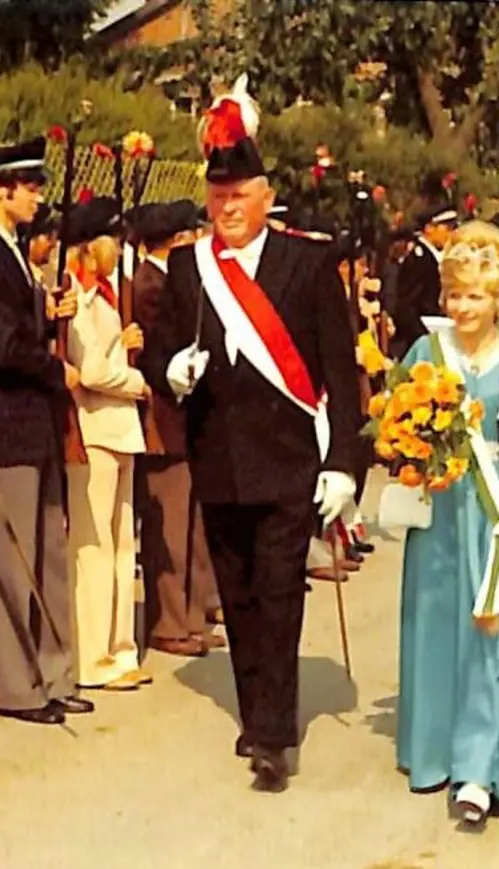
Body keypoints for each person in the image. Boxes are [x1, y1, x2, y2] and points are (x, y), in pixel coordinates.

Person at [138, 78, 362, 791]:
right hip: (220, 456)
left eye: (239, 198)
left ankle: (273, 731)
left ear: (266, 198)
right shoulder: (187, 266)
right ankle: (257, 707)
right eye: (217, 199)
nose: (227, 210)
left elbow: (339, 368)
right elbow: (158, 351)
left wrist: (344, 465)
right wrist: (172, 369)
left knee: (278, 592)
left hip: (291, 459)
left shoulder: (309, 263)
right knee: (237, 596)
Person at [394, 221, 499, 824]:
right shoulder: (424, 353)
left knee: (494, 630)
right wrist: (407, 450)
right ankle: (433, 749)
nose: (464, 307)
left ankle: (481, 767)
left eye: (477, 296)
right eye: (455, 295)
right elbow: (395, 430)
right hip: (442, 512)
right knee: (437, 622)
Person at [0, 138, 90, 725]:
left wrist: (47, 312)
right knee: (12, 556)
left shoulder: (10, 250)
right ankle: (13, 682)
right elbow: (2, 344)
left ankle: (54, 671)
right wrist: (55, 365)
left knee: (49, 553)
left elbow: (21, 327)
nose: (38, 195)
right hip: (6, 418)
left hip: (35, 419)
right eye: (29, 185)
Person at [63, 196, 154, 691]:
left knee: (121, 543)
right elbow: (92, 370)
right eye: (110, 240)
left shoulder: (107, 297)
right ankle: (91, 654)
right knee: (93, 545)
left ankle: (121, 649)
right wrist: (136, 380)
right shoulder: (77, 298)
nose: (117, 249)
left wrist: (124, 346)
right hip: (94, 428)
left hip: (119, 429)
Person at [130, 200, 226, 657]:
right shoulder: (150, 285)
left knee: (190, 523)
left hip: (184, 419)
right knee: (168, 525)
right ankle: (168, 619)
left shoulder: (170, 280)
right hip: (162, 420)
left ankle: (190, 614)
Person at [389, 203, 459, 356]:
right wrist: (424, 340)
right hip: (420, 338)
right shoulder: (419, 259)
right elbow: (406, 306)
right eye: (447, 228)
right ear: (429, 228)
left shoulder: (432, 258)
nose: (451, 234)